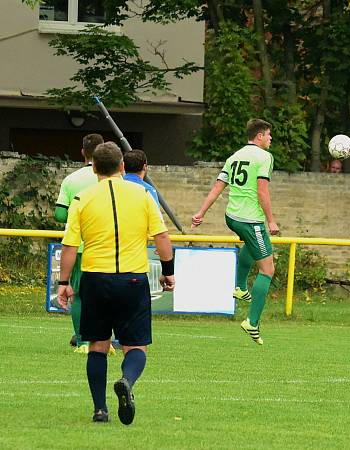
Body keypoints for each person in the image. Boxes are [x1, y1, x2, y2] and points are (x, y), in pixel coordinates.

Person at [56, 142, 175, 425]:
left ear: (94, 167)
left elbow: (70, 245)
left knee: (97, 345)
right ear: (122, 166)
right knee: (136, 346)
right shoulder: (143, 194)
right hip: (133, 279)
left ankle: (100, 410)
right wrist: (168, 271)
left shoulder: (82, 199)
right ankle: (127, 380)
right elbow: (161, 237)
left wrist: (64, 282)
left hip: (95, 279)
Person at [191, 119, 279, 345]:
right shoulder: (264, 157)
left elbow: (217, 189)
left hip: (232, 217)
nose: (270, 139)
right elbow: (262, 191)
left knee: (252, 246)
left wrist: (200, 213)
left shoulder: (234, 157)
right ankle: (252, 321)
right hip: (251, 220)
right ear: (259, 136)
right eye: (268, 135)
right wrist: (271, 221)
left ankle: (240, 287)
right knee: (268, 270)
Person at [54, 133, 103, 354]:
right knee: (104, 295)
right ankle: (103, 340)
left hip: (80, 246)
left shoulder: (72, 180)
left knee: (79, 294)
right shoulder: (111, 180)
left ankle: (83, 340)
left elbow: (59, 214)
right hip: (107, 245)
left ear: (83, 152)